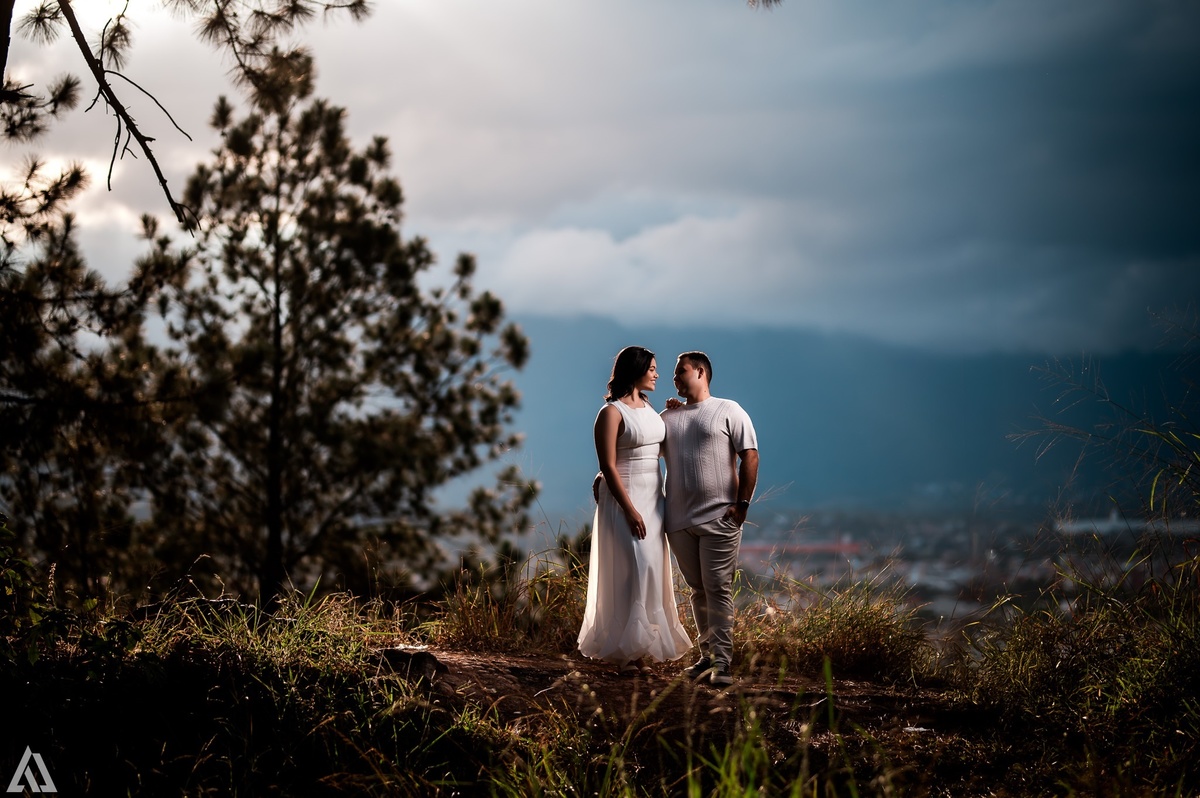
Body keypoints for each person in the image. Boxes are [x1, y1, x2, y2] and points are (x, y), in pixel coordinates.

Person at [578, 346, 693, 671]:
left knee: (652, 569)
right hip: (626, 499)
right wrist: (629, 510)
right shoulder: (611, 413)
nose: (658, 374)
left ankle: (639, 649)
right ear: (636, 369)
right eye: (653, 368)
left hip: (654, 497)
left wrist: (674, 411)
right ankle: (626, 651)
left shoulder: (647, 407)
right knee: (633, 568)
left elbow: (653, 447)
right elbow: (609, 465)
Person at [662, 351, 759, 687]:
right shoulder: (667, 417)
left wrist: (742, 504)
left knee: (718, 588)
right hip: (677, 521)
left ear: (700, 372)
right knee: (698, 590)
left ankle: (722, 663)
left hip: (720, 517)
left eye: (680, 372)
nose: (674, 378)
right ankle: (706, 656)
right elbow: (640, 449)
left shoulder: (729, 409)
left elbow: (750, 454)